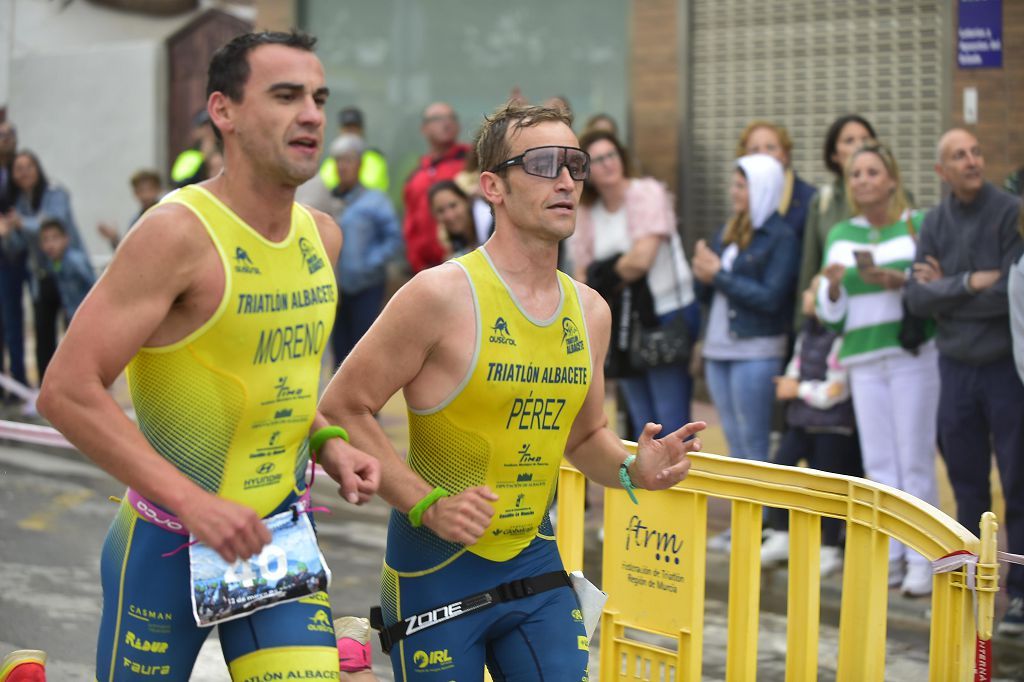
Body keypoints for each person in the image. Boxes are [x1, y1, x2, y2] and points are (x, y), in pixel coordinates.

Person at [318, 102, 706, 681]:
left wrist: (634, 469)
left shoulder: (590, 310)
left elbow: (585, 436)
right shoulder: (440, 295)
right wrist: (428, 503)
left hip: (534, 562)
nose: (567, 179)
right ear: (492, 186)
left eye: (574, 164)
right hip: (435, 567)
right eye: (544, 164)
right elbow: (342, 408)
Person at [36, 30, 381, 680]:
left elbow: (270, 381)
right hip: (166, 540)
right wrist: (194, 504)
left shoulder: (322, 239)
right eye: (285, 96)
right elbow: (67, 389)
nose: (311, 113)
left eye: (318, 97)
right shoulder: (176, 235)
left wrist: (328, 440)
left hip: (275, 537)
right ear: (224, 111)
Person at [905, 129, 1024, 629]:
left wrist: (946, 292)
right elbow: (915, 299)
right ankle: (974, 585)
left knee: (1017, 481)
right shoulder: (934, 221)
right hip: (953, 369)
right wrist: (972, 281)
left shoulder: (1008, 211)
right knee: (966, 482)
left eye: (976, 151)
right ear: (942, 171)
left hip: (1004, 369)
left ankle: (1019, 594)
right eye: (959, 155)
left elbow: (1010, 293)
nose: (972, 161)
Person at [817, 142, 939, 597]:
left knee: (915, 459)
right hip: (863, 357)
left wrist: (899, 281)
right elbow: (833, 316)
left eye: (872, 172)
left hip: (912, 355)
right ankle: (891, 555)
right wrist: (831, 288)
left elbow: (933, 287)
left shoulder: (919, 225)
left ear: (891, 178)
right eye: (855, 174)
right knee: (881, 464)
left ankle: (924, 559)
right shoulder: (841, 234)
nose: (863, 180)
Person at [572, 129, 700, 434]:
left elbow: (642, 260)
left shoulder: (646, 192)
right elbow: (582, 277)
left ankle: (678, 481)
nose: (607, 164)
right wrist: (611, 269)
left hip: (664, 316)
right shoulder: (588, 212)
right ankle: (647, 482)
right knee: (643, 421)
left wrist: (603, 272)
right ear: (586, 172)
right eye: (597, 160)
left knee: (671, 420)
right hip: (622, 325)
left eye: (611, 155)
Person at [692, 154, 798, 465]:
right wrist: (701, 271)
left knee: (754, 442)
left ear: (764, 188)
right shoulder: (729, 229)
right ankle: (744, 513)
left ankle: (763, 514)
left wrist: (718, 275)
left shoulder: (782, 236)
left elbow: (770, 298)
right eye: (734, 185)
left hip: (756, 350)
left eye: (742, 186)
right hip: (718, 349)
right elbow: (706, 291)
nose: (733, 192)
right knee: (734, 441)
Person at [760, 274, 862, 575]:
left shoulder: (841, 339)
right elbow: (797, 367)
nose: (806, 294)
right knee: (780, 469)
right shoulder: (807, 334)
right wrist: (792, 382)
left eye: (812, 290)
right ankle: (781, 533)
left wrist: (798, 389)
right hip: (802, 421)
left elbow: (836, 390)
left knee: (827, 486)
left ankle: (830, 545)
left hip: (832, 427)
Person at [1, 150, 84, 382]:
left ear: (38, 168)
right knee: (43, 335)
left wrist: (20, 223)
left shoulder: (55, 193)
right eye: (18, 168)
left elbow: (52, 226)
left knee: (76, 333)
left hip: (69, 273)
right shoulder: (18, 203)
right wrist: (7, 233)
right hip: (42, 275)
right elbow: (19, 245)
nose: (24, 172)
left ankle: (78, 384)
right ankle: (47, 388)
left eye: (29, 166)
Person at [328, 133, 402, 367]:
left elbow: (393, 238)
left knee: (362, 350)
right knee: (338, 351)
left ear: (359, 163)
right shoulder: (328, 200)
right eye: (338, 161)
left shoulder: (375, 201)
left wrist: (369, 265)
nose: (342, 167)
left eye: (348, 160)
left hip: (366, 287)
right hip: (335, 290)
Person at [796, 114, 877, 323]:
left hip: (880, 305)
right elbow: (810, 265)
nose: (859, 146)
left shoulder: (898, 197)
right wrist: (802, 324)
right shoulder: (823, 201)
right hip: (834, 310)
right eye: (849, 141)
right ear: (834, 155)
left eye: (866, 139)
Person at [402, 102, 471, 272]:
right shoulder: (417, 174)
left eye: (451, 118)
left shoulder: (471, 164)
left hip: (465, 264)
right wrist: (417, 265)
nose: (446, 123)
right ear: (424, 128)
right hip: (425, 270)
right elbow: (411, 225)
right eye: (438, 119)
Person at [736, 120, 816, 242]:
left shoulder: (811, 199)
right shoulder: (741, 196)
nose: (762, 155)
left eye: (770, 148)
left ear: (785, 155)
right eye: (754, 150)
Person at [319, 106, 390, 194]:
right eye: (347, 128)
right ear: (340, 131)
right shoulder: (329, 162)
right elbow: (322, 188)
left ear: (362, 130)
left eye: (354, 128)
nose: (351, 133)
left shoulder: (375, 159)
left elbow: (372, 187)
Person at [38, 217, 95, 321]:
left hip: (88, 318)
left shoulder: (76, 262)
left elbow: (94, 286)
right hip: (72, 317)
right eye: (45, 240)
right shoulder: (54, 263)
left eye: (55, 238)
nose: (50, 245)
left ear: (66, 239)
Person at [97, 169, 164, 250]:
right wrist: (114, 238)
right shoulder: (136, 221)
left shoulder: (166, 215)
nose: (145, 195)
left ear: (158, 189)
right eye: (140, 190)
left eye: (149, 189)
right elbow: (129, 251)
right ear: (135, 193)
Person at [428, 179, 482, 258]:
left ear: (466, 200)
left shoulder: (489, 226)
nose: (449, 216)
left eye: (453, 205)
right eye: (440, 211)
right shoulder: (454, 245)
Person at [170, 109, 217, 188]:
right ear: (196, 131)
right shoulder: (188, 157)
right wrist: (204, 159)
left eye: (212, 126)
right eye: (204, 126)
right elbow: (179, 182)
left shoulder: (230, 154)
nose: (209, 130)